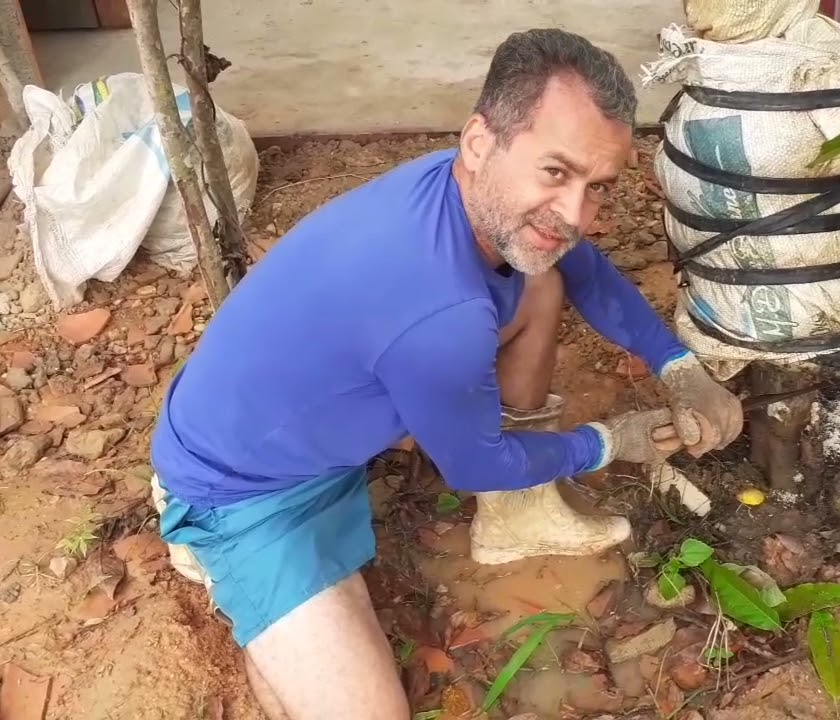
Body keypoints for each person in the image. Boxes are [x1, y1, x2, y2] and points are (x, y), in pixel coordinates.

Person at [147, 27, 744, 720]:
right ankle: (220, 562)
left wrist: (678, 365)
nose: (578, 213)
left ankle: (517, 516)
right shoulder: (442, 312)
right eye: (556, 172)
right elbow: (475, 465)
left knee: (540, 271)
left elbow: (582, 265)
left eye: (597, 187)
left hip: (292, 422)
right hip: (241, 490)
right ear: (480, 141)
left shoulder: (460, 188)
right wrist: (613, 441)